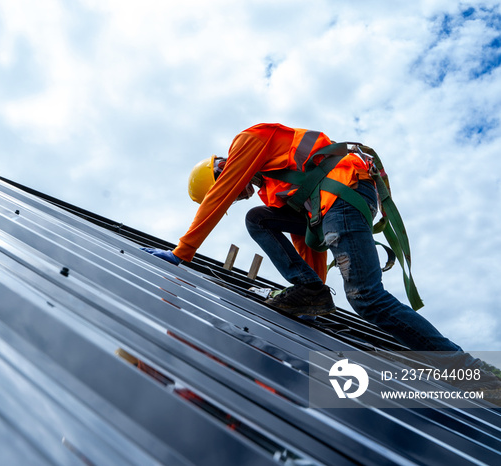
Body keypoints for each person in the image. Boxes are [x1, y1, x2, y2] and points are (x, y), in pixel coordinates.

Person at [143, 123, 501, 395]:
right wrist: (314, 297)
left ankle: (471, 372)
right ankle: (309, 292)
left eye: (233, 191)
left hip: (343, 192)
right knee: (258, 218)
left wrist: (181, 253)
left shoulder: (248, 142)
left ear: (220, 172)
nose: (240, 195)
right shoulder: (276, 184)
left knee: (367, 298)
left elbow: (219, 196)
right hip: (330, 202)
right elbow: (307, 241)